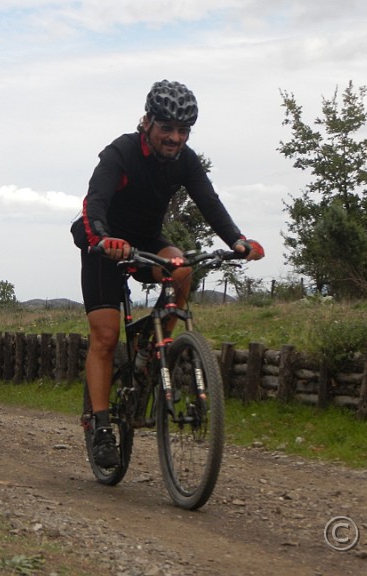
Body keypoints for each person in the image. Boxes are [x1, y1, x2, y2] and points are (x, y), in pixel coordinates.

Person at [71, 79, 265, 468]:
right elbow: (96, 205)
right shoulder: (120, 153)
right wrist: (106, 239)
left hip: (145, 240)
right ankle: (102, 425)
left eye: (183, 130)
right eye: (167, 129)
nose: (175, 138)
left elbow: (209, 201)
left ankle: (161, 344)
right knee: (106, 337)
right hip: (102, 243)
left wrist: (238, 240)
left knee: (182, 267)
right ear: (147, 122)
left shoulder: (185, 160)